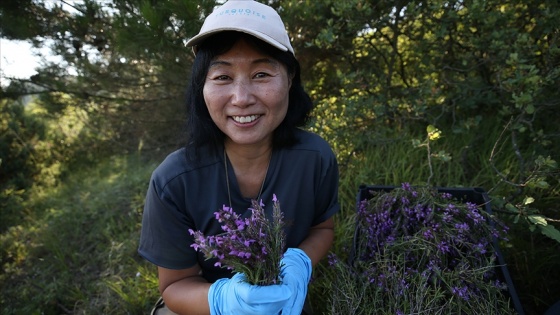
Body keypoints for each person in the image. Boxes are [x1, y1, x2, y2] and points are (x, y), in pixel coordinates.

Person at [138, 0, 340, 314]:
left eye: (261, 74)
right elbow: (175, 286)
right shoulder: (173, 181)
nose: (242, 98)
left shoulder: (315, 158)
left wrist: (300, 263)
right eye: (222, 77)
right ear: (201, 88)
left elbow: (322, 229)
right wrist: (225, 301)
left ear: (289, 79)